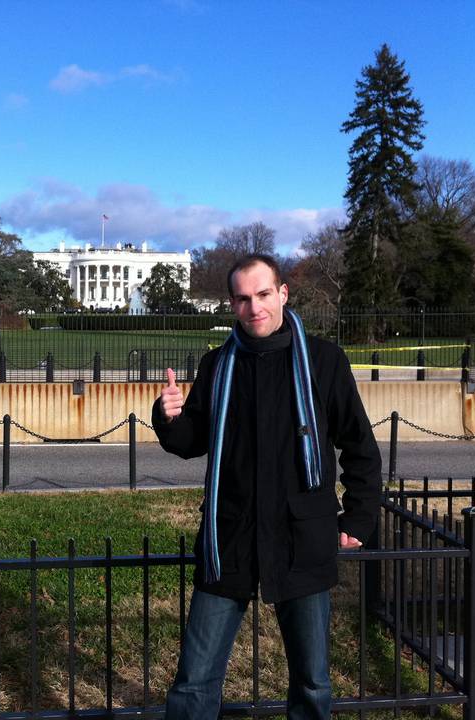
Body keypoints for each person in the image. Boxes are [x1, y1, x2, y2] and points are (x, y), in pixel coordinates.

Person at [153, 254, 381, 720]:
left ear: (282, 294)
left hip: (302, 536)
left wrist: (359, 514)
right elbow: (191, 440)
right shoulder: (218, 364)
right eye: (242, 298)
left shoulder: (323, 361)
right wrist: (169, 418)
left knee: (312, 681)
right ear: (231, 305)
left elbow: (359, 443)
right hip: (229, 536)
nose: (254, 307)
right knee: (194, 680)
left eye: (262, 294)